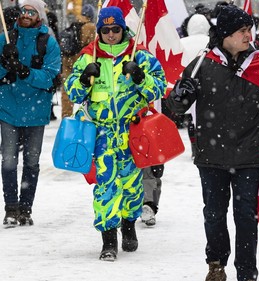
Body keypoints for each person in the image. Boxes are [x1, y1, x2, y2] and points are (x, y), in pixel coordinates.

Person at [166, 5, 259, 281]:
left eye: (249, 30)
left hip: (249, 157)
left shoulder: (258, 66)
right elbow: (175, 108)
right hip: (211, 156)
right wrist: (179, 95)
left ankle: (246, 273)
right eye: (242, 31)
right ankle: (216, 264)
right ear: (225, 35)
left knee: (245, 217)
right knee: (214, 214)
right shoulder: (200, 65)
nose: (249, 35)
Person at [64, 6, 167, 261]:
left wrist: (141, 78)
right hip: (102, 134)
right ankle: (108, 239)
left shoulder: (139, 55)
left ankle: (129, 225)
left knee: (132, 187)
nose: (111, 34)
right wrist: (84, 79)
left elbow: (160, 88)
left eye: (116, 29)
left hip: (132, 134)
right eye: (106, 30)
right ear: (100, 31)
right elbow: (73, 93)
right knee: (106, 187)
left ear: (123, 29)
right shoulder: (89, 56)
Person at [0, 0, 61, 227]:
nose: (26, 14)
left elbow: (51, 76)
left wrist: (25, 72)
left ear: (39, 16)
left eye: (31, 12)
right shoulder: (5, 39)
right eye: (24, 10)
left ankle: (26, 209)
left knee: (31, 162)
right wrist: (6, 63)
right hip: (8, 107)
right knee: (8, 162)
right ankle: (10, 209)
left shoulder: (49, 43)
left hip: (36, 110)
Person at [180, 13, 211, 159]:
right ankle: (205, 144)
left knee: (191, 119)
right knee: (205, 118)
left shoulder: (182, 42)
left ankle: (194, 146)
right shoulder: (211, 42)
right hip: (209, 84)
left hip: (188, 85)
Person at [61, 4, 96, 118]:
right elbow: (92, 45)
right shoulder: (90, 27)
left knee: (67, 88)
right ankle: (86, 115)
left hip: (67, 59)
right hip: (80, 59)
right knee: (86, 86)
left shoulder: (73, 24)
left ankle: (66, 116)